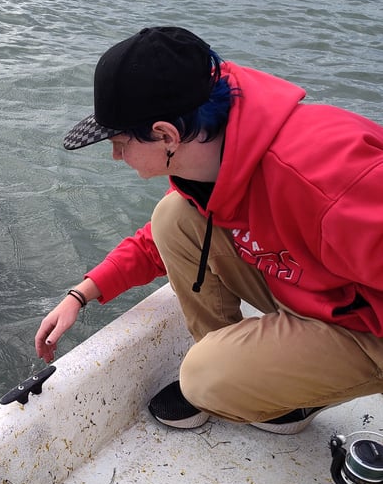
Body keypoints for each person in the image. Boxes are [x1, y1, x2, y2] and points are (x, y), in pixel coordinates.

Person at [34, 26, 383, 435]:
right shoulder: (214, 156)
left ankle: (247, 381)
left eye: (120, 141)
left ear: (166, 135)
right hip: (324, 292)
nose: (114, 156)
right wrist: (83, 293)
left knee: (202, 378)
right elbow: (160, 240)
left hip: (368, 327)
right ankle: (263, 383)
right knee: (174, 217)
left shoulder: (332, 179)